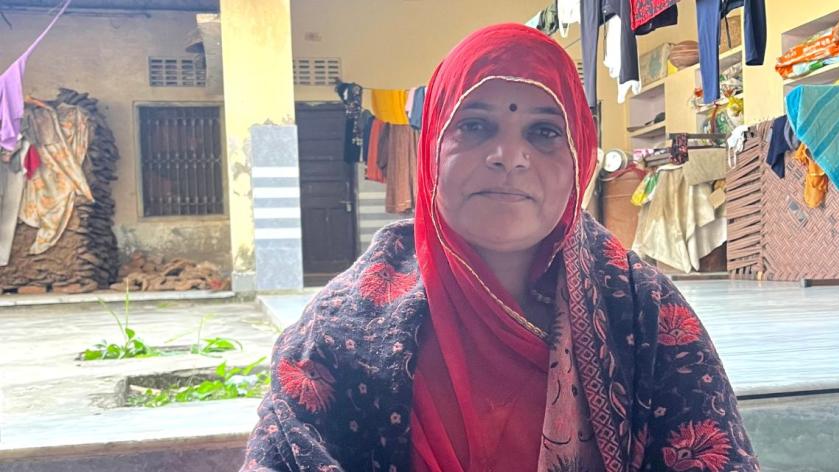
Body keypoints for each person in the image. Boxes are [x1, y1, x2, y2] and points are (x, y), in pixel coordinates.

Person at [241, 23, 758, 472]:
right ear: (432, 147)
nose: (509, 156)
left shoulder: (641, 313)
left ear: (580, 154)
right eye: (475, 125)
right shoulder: (342, 328)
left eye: (543, 132)